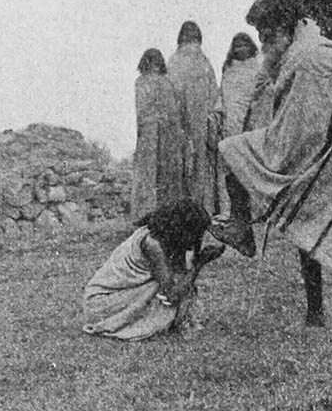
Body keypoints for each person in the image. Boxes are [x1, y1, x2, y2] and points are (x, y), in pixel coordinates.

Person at [214, 0, 332, 326]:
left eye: (267, 34)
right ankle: (314, 311)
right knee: (303, 215)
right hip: (323, 147)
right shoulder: (306, 52)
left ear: (286, 27)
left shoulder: (311, 58)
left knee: (233, 151)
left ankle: (242, 229)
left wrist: (287, 149)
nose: (263, 42)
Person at [83, 199, 226, 341]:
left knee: (181, 283)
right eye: (197, 233)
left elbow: (182, 279)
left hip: (112, 300)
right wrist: (199, 263)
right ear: (183, 229)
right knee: (163, 286)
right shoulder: (152, 244)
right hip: (101, 304)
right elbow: (172, 294)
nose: (198, 238)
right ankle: (132, 325)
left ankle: (165, 322)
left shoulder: (170, 240)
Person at [167, 21, 222, 215]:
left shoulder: (173, 61)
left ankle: (181, 212)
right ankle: (203, 210)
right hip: (202, 125)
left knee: (181, 167)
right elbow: (215, 95)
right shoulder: (204, 61)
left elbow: (169, 95)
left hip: (179, 125)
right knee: (202, 166)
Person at [129, 49, 183, 219]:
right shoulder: (165, 83)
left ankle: (148, 212)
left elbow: (141, 112)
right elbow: (173, 112)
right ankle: (156, 212)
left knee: (150, 173)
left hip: (152, 132)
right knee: (160, 173)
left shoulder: (142, 82)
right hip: (161, 132)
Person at [217, 33, 262, 214]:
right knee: (231, 168)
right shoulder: (228, 69)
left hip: (252, 124)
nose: (240, 49)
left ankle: (254, 210)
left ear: (251, 47)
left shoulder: (257, 67)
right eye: (237, 46)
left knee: (250, 166)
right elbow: (223, 96)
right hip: (231, 125)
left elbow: (260, 96)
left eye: (244, 45)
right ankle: (234, 211)